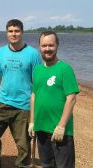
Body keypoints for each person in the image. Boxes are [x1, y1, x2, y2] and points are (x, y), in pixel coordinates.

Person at [0, 19, 41, 168]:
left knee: (24, 146)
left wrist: (36, 110)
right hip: (2, 102)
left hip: (24, 107)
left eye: (17, 31)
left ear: (22, 32)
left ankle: (22, 165)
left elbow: (38, 84)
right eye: (10, 31)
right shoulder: (1, 52)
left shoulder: (33, 54)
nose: (14, 34)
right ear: (6, 33)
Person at [29, 31, 79, 168]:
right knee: (47, 165)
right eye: (44, 45)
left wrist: (61, 126)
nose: (47, 49)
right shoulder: (37, 70)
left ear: (57, 46)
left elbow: (71, 98)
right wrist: (32, 122)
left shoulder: (65, 69)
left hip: (59, 131)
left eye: (51, 45)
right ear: (39, 47)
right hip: (41, 129)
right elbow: (34, 96)